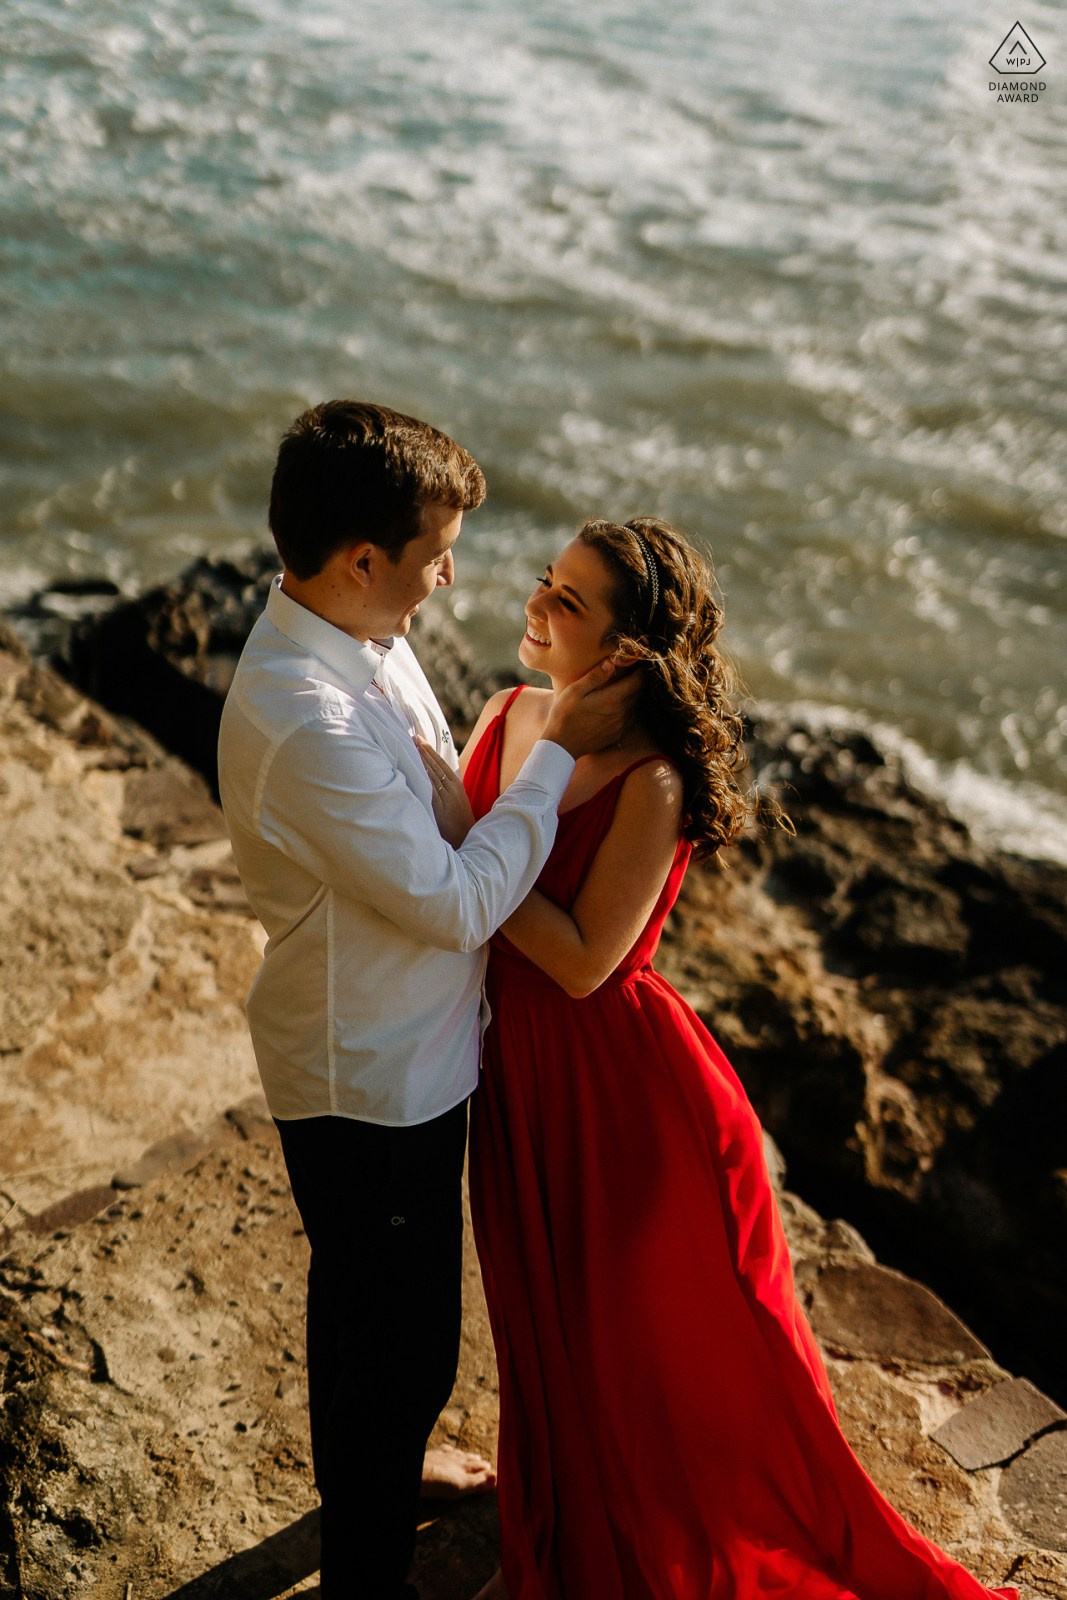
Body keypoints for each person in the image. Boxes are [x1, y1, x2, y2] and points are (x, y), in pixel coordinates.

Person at [419, 516, 1016, 1600]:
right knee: (534, 1309)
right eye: (545, 583)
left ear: (627, 654)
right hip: (518, 1082)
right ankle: (549, 1499)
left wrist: (455, 866)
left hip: (623, 1098)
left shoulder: (646, 782)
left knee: (658, 1351)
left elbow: (586, 962)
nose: (536, 606)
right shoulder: (509, 713)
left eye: (568, 603)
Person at [216, 401, 636, 1600]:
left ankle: (375, 1480)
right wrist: (558, 748)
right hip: (372, 1075)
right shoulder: (307, 715)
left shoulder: (359, 631)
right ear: (361, 560)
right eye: (432, 552)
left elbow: (444, 807)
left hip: (397, 1044)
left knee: (355, 1301)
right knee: (402, 1345)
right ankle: (362, 1570)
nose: (449, 575)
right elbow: (455, 902)